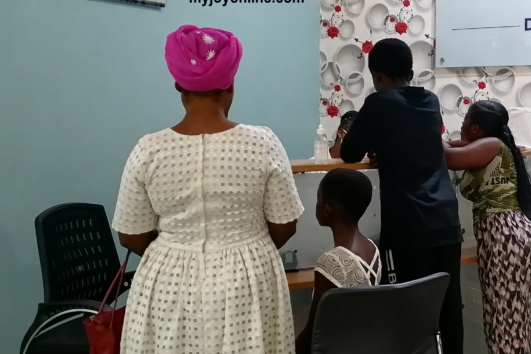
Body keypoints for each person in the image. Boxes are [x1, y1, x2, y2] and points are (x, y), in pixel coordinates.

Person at [112, 25, 303, 354]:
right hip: (248, 279)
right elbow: (285, 225)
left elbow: (130, 235)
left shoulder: (149, 149)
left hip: (167, 282)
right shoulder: (263, 143)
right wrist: (245, 249)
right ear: (230, 83)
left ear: (178, 85)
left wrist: (176, 247)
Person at [339, 38, 464, 354]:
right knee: (449, 309)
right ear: (410, 70)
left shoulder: (379, 103)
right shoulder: (430, 100)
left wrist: (378, 145)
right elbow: (414, 141)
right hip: (446, 221)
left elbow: (350, 152)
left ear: (378, 76)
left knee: (404, 313)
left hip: (408, 225)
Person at [443, 100, 531, 354]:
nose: (461, 127)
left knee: (506, 323)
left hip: (505, 240)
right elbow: (456, 147)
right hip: (525, 237)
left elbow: (449, 157)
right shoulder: (499, 146)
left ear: (475, 128)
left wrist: (425, 134)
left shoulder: (491, 145)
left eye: (464, 121)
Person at [295, 168, 380, 354]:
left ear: (327, 209)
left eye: (318, 197)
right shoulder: (372, 249)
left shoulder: (332, 261)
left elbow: (313, 333)